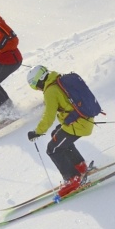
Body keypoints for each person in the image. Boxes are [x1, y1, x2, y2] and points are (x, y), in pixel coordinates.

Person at [25, 65, 96, 197]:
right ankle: (80, 167)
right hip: (84, 119)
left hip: (78, 124)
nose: (38, 89)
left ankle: (72, 179)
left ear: (39, 80)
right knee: (56, 135)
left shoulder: (50, 91)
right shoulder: (59, 80)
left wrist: (37, 132)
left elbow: (49, 116)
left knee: (52, 149)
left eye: (36, 86)